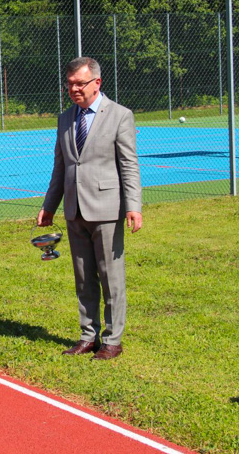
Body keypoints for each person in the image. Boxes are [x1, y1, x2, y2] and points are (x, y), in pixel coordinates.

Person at [36, 56, 142, 361]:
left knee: (111, 276)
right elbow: (61, 167)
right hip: (74, 209)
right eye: (69, 84)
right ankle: (88, 335)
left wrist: (133, 206)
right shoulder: (64, 118)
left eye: (79, 83)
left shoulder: (120, 116)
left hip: (108, 209)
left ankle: (113, 339)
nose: (73, 89)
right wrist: (49, 206)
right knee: (83, 277)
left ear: (97, 83)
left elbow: (129, 165)